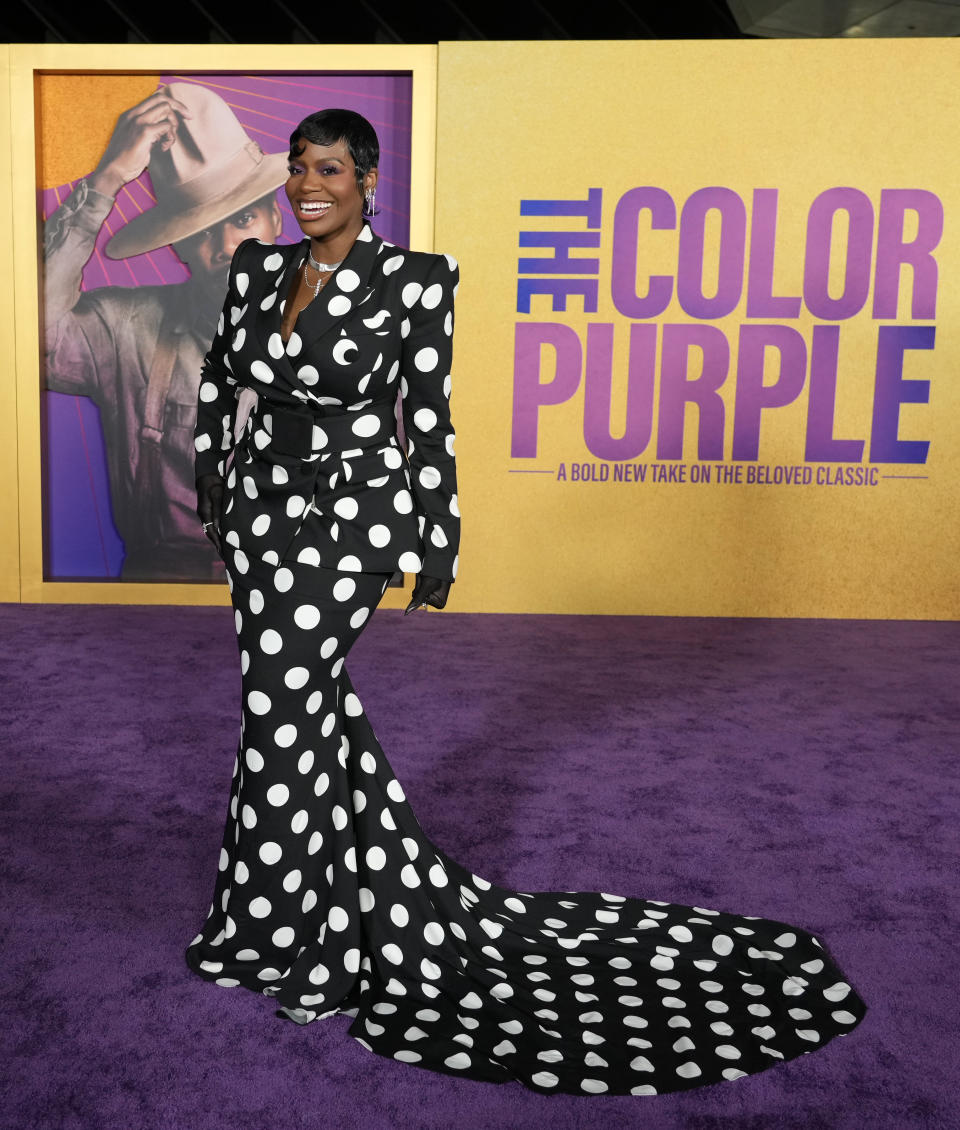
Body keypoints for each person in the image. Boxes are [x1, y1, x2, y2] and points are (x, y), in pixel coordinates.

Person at [184, 109, 866, 1096]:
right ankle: (277, 915)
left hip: (350, 523)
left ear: (367, 177)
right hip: (261, 517)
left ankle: (313, 948)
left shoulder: (416, 282)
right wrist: (215, 481)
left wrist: (437, 538)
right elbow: (216, 385)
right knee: (292, 711)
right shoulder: (254, 273)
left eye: (327, 168)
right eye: (296, 170)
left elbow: (429, 418)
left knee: (289, 705)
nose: (306, 186)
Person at [43, 82, 287, 581]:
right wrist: (108, 179)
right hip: (160, 600)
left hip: (302, 595)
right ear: (176, 248)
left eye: (243, 218)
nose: (227, 249)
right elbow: (24, 337)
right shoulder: (124, 329)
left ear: (275, 219)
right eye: (200, 234)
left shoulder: (353, 331)